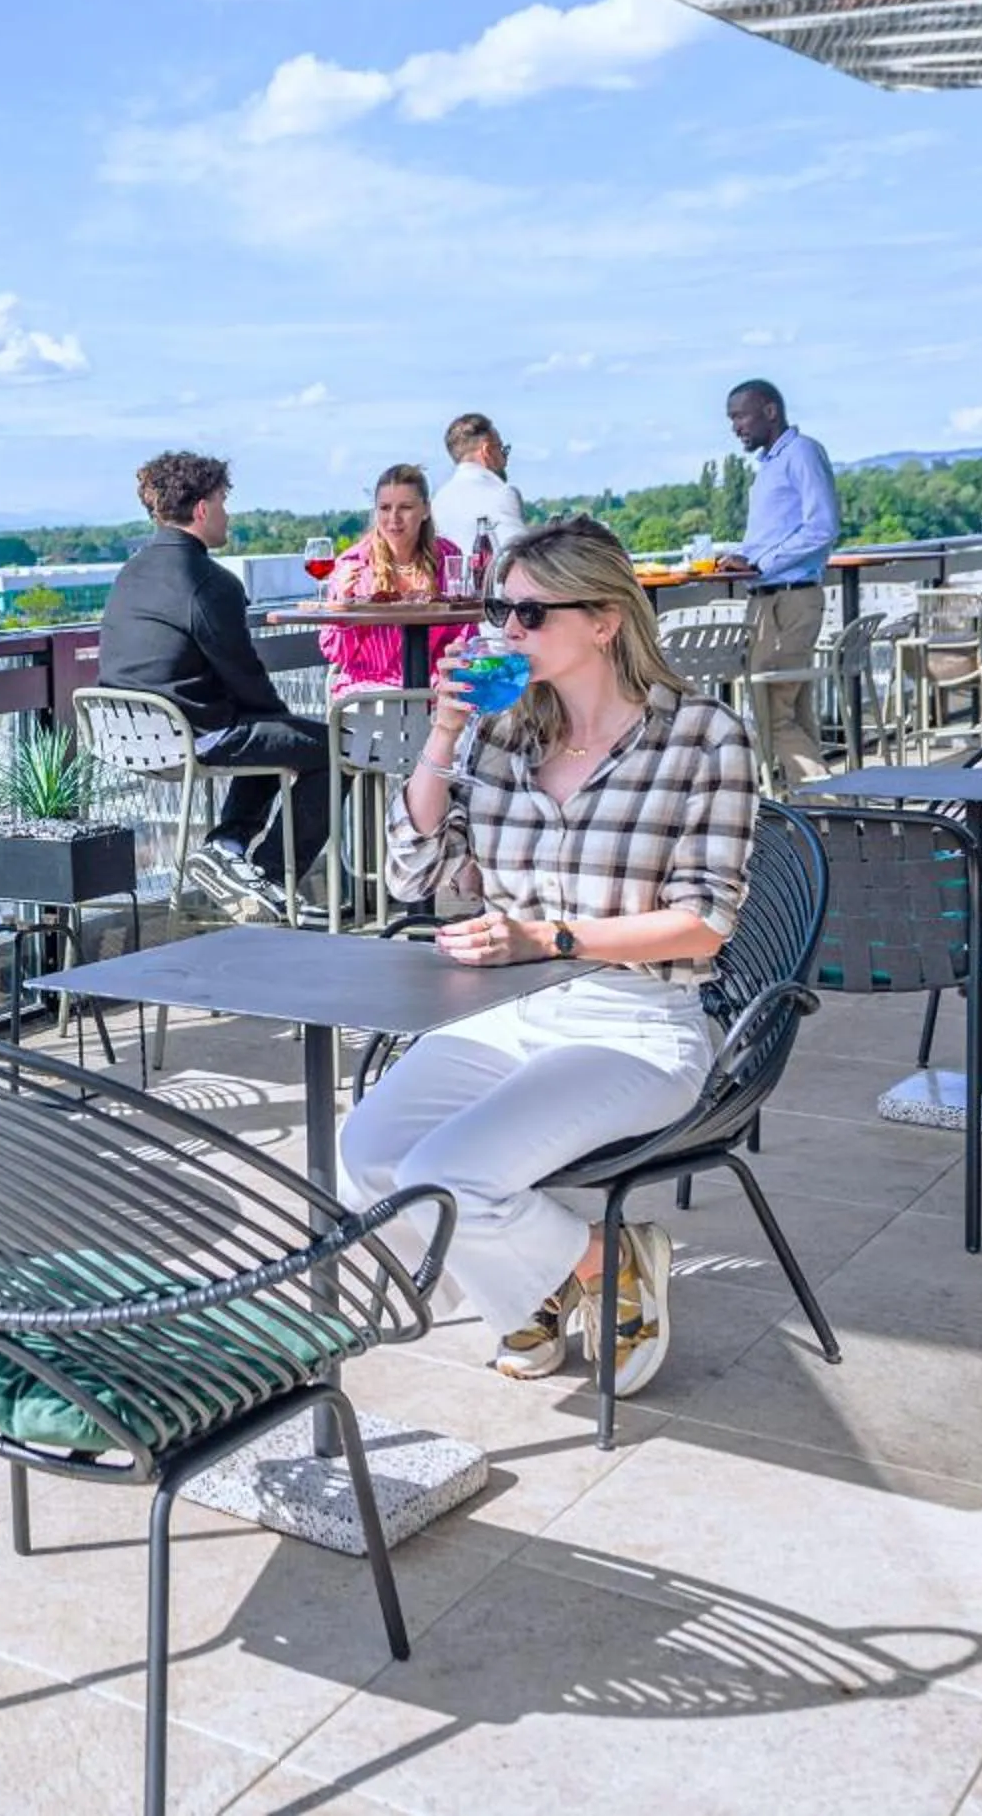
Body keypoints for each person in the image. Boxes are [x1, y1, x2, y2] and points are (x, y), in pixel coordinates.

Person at [340, 516, 757, 1399]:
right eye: (500, 612)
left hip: (636, 1022)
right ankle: (573, 1270)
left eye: (530, 614)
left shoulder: (703, 737)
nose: (507, 631)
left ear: (605, 620)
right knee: (367, 1157)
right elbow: (412, 875)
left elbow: (705, 923)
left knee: (447, 1174)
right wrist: (442, 737)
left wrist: (551, 938)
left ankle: (592, 1270)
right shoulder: (501, 736)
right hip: (508, 1012)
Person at [96, 449, 330, 921]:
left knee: (269, 733)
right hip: (190, 734)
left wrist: (276, 724)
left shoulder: (130, 571)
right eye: (223, 501)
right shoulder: (210, 582)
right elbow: (244, 675)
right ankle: (266, 877)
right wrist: (284, 722)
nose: (227, 514)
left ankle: (229, 848)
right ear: (202, 509)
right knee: (331, 749)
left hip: (124, 734)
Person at [716, 379, 841, 790]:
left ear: (770, 411)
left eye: (740, 416)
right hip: (769, 600)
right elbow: (771, 536)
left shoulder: (801, 453)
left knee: (772, 712)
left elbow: (822, 527)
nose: (735, 427)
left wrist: (758, 564)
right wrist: (738, 557)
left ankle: (830, 804)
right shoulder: (770, 465)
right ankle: (818, 808)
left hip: (789, 600)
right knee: (793, 712)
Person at [319, 462, 469, 691]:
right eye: (385, 508)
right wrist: (342, 609)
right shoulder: (354, 564)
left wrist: (445, 673)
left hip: (434, 686)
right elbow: (334, 652)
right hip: (369, 688)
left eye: (405, 507)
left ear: (425, 510)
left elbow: (464, 632)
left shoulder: (448, 557)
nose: (394, 518)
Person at [430, 413, 527, 557]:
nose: (505, 460)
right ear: (487, 451)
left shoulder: (438, 501)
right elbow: (521, 554)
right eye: (501, 449)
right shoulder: (502, 494)